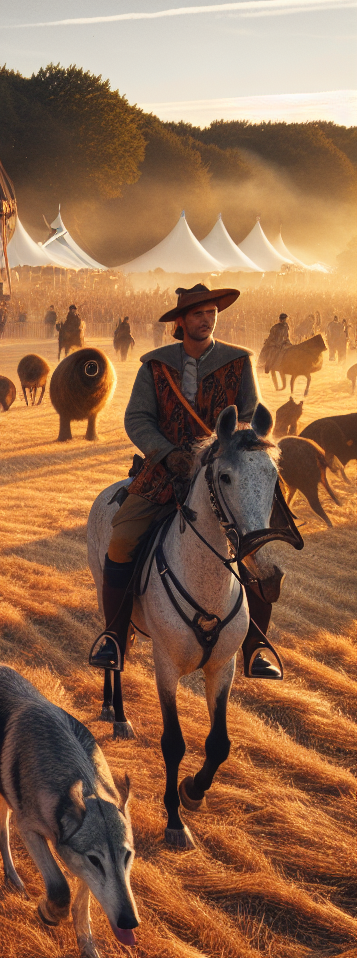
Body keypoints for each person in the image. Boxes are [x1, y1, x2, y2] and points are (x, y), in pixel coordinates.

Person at [90, 283, 283, 681]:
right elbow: (137, 419)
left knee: (257, 544)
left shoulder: (238, 362)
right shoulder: (155, 366)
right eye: (197, 314)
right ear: (180, 321)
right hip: (164, 471)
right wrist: (167, 452)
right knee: (122, 540)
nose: (206, 319)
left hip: (224, 473)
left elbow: (251, 415)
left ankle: (255, 644)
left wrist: (226, 449)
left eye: (211, 312)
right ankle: (113, 636)